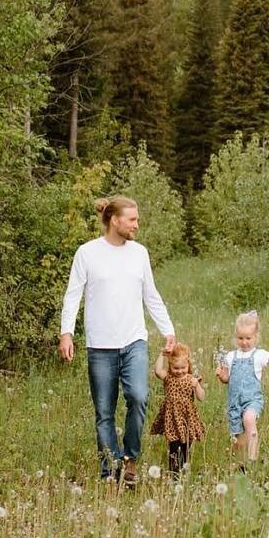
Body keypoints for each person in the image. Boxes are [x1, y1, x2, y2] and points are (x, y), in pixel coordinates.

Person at [59, 195, 176, 485]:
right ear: (114, 220)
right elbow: (73, 295)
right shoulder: (87, 253)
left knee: (138, 397)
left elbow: (151, 295)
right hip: (100, 346)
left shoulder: (139, 253)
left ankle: (131, 460)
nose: (137, 224)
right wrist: (66, 332)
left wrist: (168, 330)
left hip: (134, 340)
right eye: (132, 219)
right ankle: (110, 471)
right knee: (104, 412)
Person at [215, 310, 269, 467]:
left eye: (248, 338)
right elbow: (228, 379)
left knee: (249, 419)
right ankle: (241, 466)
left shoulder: (259, 355)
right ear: (236, 337)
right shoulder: (230, 356)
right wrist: (222, 376)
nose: (244, 342)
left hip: (252, 401)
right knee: (239, 442)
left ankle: (252, 458)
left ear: (256, 337)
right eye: (240, 338)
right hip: (235, 404)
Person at [150, 341, 206, 478]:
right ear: (170, 366)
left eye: (183, 367)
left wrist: (197, 386)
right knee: (174, 445)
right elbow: (157, 371)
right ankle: (174, 473)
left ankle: (183, 468)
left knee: (186, 444)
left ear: (188, 365)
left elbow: (201, 397)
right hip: (172, 418)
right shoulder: (168, 378)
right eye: (176, 368)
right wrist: (162, 355)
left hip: (187, 418)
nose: (180, 371)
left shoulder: (191, 379)